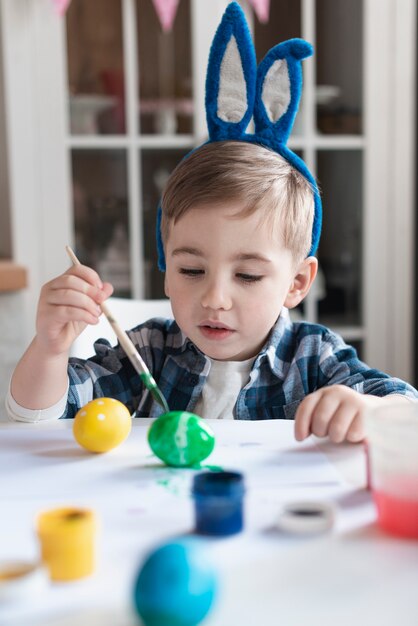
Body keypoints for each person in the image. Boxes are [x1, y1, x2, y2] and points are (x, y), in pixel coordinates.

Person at [6, 3, 418, 440]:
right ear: (165, 264)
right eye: (191, 270)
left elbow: (407, 411)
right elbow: (40, 416)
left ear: (297, 281)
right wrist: (49, 349)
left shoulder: (313, 357)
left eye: (248, 274)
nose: (215, 297)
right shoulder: (148, 351)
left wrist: (368, 409)